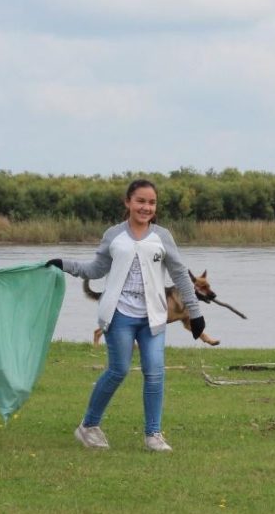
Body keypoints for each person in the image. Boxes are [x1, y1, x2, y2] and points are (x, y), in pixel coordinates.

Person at [47, 179, 206, 452]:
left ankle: (153, 434)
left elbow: (180, 274)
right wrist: (65, 265)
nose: (146, 207)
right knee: (118, 370)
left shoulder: (162, 237)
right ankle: (88, 426)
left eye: (151, 203)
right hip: (119, 315)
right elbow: (96, 269)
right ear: (128, 202)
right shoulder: (114, 235)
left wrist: (196, 312)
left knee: (155, 373)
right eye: (140, 201)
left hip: (153, 318)